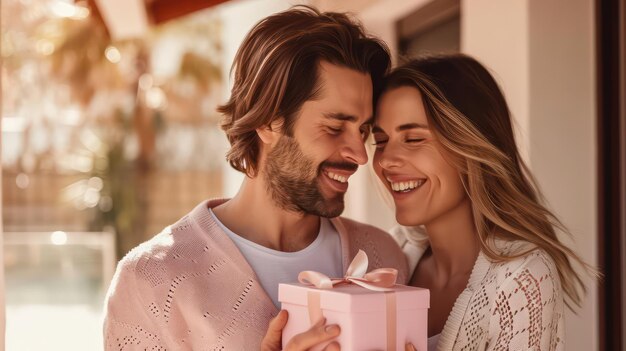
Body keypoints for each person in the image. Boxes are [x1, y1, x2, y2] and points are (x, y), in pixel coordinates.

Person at [103, 6, 409, 350]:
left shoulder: (383, 258)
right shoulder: (150, 280)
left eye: (364, 129)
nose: (361, 154)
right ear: (267, 121)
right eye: (335, 127)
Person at [371, 54, 592, 350]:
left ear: (470, 147)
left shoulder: (521, 278)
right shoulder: (388, 254)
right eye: (381, 140)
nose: (385, 160)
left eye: (413, 139)